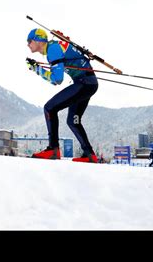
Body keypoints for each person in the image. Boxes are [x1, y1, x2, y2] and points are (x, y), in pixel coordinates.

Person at [26, 28, 99, 163]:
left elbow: (56, 79)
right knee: (73, 121)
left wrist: (37, 69)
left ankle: (53, 149)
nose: (27, 44)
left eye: (29, 41)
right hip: (89, 83)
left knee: (49, 108)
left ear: (38, 40)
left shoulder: (52, 49)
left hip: (83, 83)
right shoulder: (55, 46)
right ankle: (90, 155)